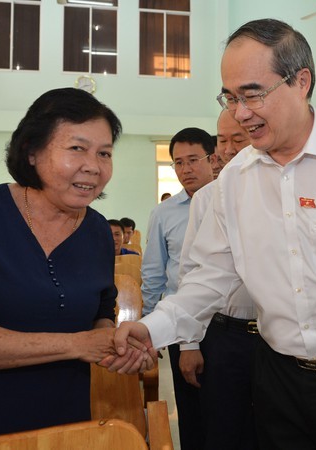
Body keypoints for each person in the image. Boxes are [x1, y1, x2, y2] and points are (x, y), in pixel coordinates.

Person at [107, 18, 316, 450]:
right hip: (276, 378)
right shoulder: (234, 182)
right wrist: (152, 330)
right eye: (230, 98)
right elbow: (209, 280)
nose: (240, 113)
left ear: (301, 81)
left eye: (252, 94)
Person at [0, 88, 146, 437]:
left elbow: (100, 314)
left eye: (104, 153)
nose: (94, 166)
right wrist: (77, 344)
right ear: (32, 151)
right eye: (77, 148)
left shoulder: (97, 231)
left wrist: (116, 346)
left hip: (65, 424)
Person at [178, 111, 255, 450]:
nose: (229, 148)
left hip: (277, 338)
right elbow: (190, 273)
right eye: (223, 141)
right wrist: (189, 344)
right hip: (224, 334)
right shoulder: (207, 198)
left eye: (238, 139)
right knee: (223, 429)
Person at [140, 127, 215, 450]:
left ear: (213, 159)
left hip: (229, 326)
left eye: (193, 160)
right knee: (192, 411)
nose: (186, 169)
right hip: (181, 324)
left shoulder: (233, 202)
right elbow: (154, 275)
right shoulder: (164, 213)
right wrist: (148, 331)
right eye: (178, 163)